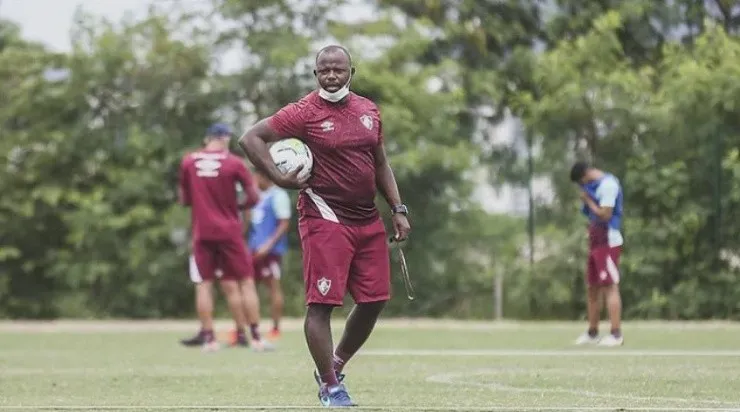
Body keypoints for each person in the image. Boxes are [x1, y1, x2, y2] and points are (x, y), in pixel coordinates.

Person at [238, 45, 411, 407]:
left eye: (338, 69)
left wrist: (397, 207)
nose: (332, 76)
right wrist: (279, 178)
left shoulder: (369, 110)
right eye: (325, 71)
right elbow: (250, 138)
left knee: (375, 299)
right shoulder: (304, 112)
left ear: (352, 71)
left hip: (367, 218)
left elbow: (380, 163)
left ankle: (332, 366)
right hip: (325, 216)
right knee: (322, 304)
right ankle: (332, 388)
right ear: (316, 74)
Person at [178, 123, 269, 352]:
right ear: (225, 138)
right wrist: (235, 206)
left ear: (207, 138)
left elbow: (184, 199)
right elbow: (254, 197)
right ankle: (256, 337)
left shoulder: (189, 162)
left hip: (202, 231)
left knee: (204, 284)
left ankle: (209, 340)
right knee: (245, 282)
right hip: (230, 231)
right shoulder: (234, 163)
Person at [570, 161, 624, 347]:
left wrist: (588, 201)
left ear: (585, 176)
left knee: (609, 286)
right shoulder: (597, 186)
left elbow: (605, 214)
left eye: (581, 183)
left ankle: (616, 334)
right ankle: (592, 332)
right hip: (596, 241)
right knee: (592, 287)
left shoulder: (608, 185)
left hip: (608, 240)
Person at [247, 169, 291, 340]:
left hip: (271, 251)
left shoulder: (279, 195)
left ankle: (275, 327)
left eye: (255, 176)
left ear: (262, 176)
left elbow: (284, 224)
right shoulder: (254, 195)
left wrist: (268, 245)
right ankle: (250, 328)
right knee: (249, 286)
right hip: (253, 249)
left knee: (273, 287)